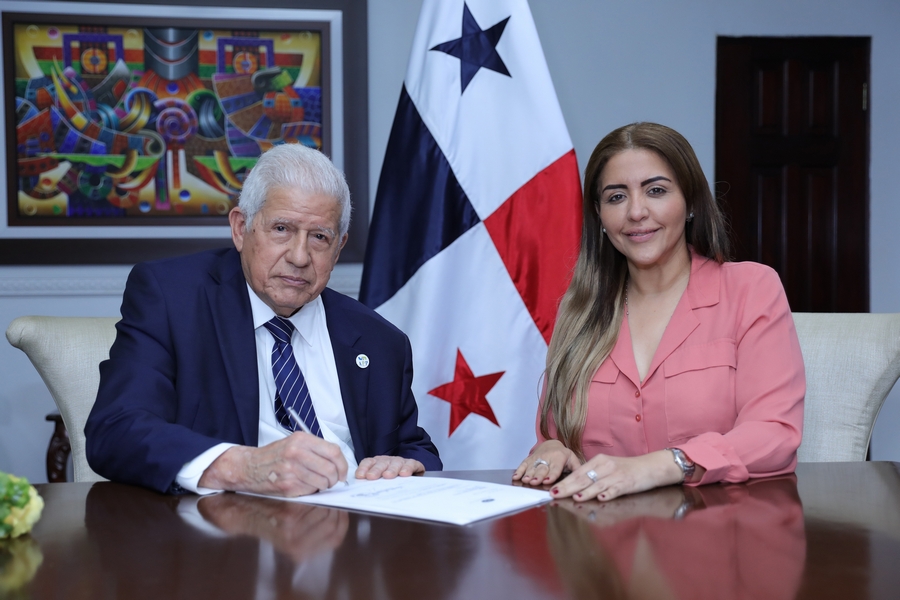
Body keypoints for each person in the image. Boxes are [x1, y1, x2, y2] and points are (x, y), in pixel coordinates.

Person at [86, 143, 441, 496]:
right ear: (241, 228)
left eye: (319, 237)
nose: (299, 257)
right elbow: (116, 429)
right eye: (282, 229)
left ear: (338, 249)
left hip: (354, 521)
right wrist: (241, 468)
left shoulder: (379, 340)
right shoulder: (173, 300)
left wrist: (407, 465)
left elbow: (415, 448)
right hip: (224, 523)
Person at [513, 122, 804, 501]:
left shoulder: (751, 288)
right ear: (599, 216)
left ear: (691, 203)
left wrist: (661, 465)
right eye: (617, 197)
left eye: (656, 191)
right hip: (600, 531)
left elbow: (774, 433)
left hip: (721, 524)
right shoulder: (579, 309)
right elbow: (554, 437)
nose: (636, 212)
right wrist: (552, 450)